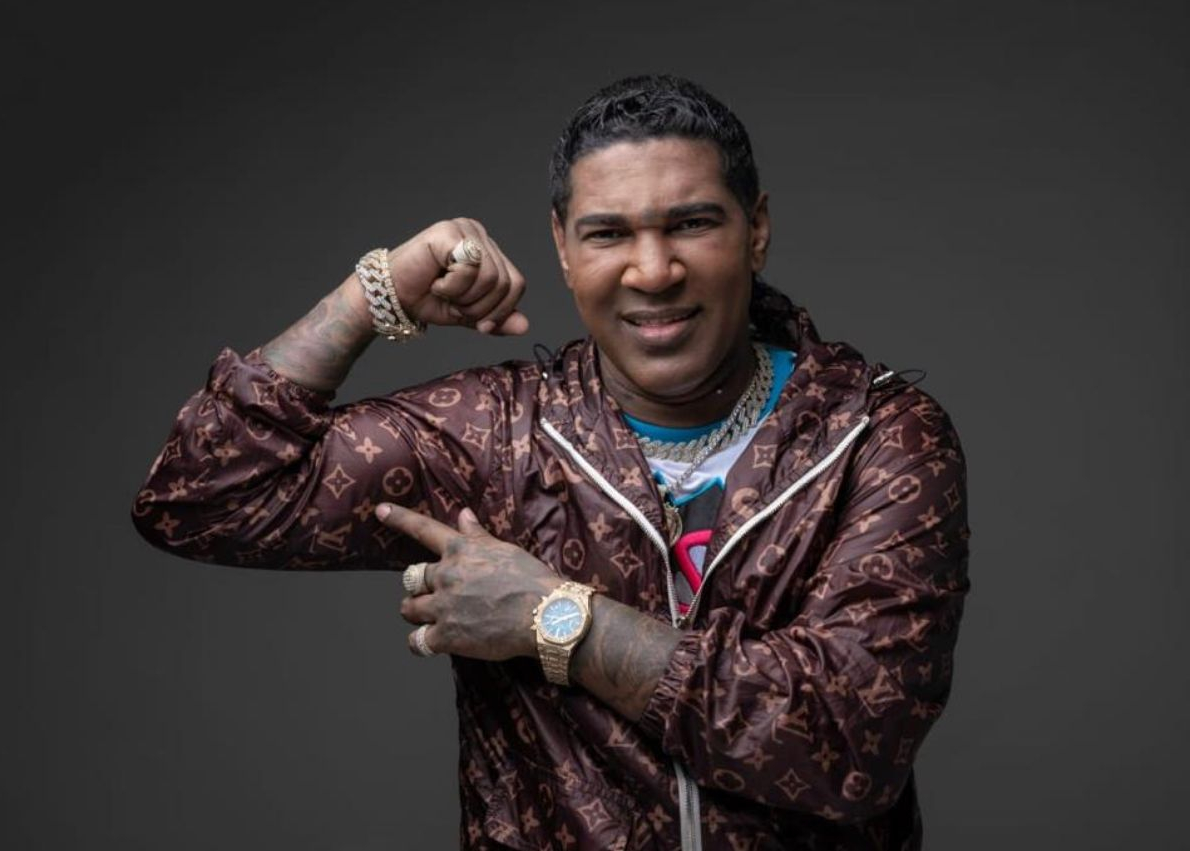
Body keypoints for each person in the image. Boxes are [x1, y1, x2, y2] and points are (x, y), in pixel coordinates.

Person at [132, 74, 970, 851]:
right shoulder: (497, 435)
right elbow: (199, 496)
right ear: (563, 249)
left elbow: (849, 742)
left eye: (691, 223)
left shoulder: (874, 435)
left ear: (756, 231)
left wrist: (556, 617)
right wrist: (370, 296)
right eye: (609, 233)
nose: (653, 270)